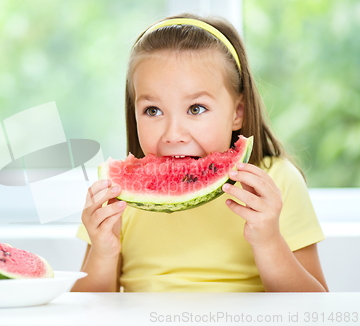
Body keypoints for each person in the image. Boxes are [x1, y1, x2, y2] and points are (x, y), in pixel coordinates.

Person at [70, 13, 328, 292]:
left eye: (196, 109)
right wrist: (103, 252)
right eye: (152, 110)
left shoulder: (275, 182)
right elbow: (87, 310)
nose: (173, 134)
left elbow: (315, 308)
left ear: (237, 112)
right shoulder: (117, 197)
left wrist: (268, 241)